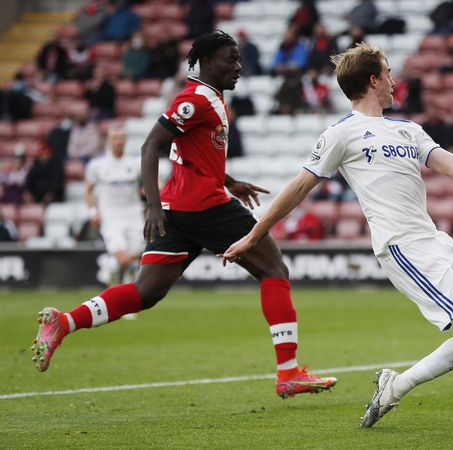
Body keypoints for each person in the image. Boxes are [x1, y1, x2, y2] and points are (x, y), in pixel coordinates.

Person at [221, 42, 453, 428]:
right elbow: (298, 188)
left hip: (433, 238)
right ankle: (394, 387)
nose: (395, 80)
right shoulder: (340, 134)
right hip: (402, 248)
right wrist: (253, 236)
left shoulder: (408, 129)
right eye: (389, 73)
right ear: (374, 79)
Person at [31, 31, 336, 401]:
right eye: (231, 60)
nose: (238, 67)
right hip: (201, 206)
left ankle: (63, 323)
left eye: (239, 59)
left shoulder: (210, 99)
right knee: (274, 270)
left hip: (183, 208)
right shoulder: (196, 100)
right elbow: (150, 145)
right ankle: (288, 372)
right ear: (208, 63)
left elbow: (190, 154)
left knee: (146, 293)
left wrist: (229, 181)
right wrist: (152, 204)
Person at [84, 126, 145, 286]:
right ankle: (110, 269)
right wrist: (93, 212)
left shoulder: (136, 162)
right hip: (110, 216)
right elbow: (88, 191)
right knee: (124, 259)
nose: (119, 141)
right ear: (109, 141)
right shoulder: (97, 165)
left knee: (136, 258)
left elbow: (155, 182)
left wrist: (157, 188)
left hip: (133, 213)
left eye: (121, 137)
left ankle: (126, 295)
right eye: (115, 138)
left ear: (126, 140)